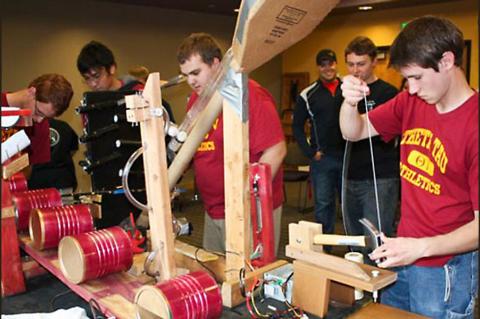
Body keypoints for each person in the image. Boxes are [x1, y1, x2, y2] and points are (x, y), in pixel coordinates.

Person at [339, 16, 477, 318]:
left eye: (416, 77)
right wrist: (349, 104)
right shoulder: (411, 103)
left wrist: (421, 248)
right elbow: (354, 131)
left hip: (445, 267)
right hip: (403, 251)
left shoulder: (474, 124)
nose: (411, 89)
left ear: (447, 61)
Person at [176, 33, 286, 254]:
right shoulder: (196, 101)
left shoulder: (251, 95)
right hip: (213, 210)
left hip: (247, 211)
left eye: (196, 72)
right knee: (215, 273)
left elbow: (276, 150)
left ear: (216, 64)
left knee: (249, 281)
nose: (191, 81)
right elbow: (194, 147)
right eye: (186, 75)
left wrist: (245, 200)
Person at [342, 36, 400, 257]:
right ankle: (357, 289)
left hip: (379, 179)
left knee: (376, 241)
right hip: (350, 176)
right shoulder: (346, 93)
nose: (356, 70)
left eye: (361, 63)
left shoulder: (388, 93)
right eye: (351, 64)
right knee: (353, 239)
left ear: (374, 61)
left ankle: (380, 289)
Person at [292, 49, 345, 238]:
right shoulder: (308, 94)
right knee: (324, 205)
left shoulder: (348, 88)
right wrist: (310, 152)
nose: (327, 68)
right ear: (318, 67)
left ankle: (353, 249)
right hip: (322, 159)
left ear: (336, 64)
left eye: (331, 63)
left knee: (348, 205)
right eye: (323, 64)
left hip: (348, 158)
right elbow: (297, 127)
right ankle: (325, 250)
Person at [1, 74, 73, 170]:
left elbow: (28, 171)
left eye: (46, 117)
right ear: (31, 92)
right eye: (38, 111)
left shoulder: (41, 127)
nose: (39, 120)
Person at [28, 118, 79, 195]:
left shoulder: (30, 127)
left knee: (38, 207)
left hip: (37, 180)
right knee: (66, 206)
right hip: (63, 180)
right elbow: (73, 149)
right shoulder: (64, 126)